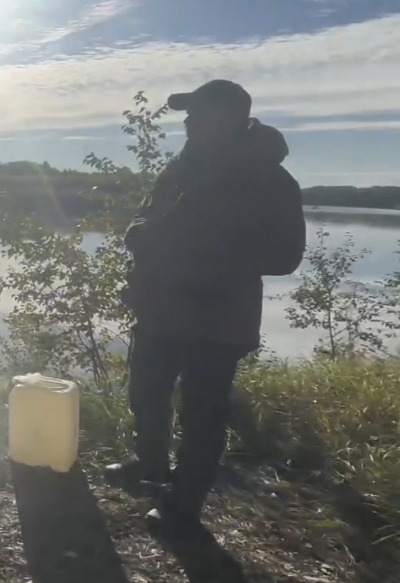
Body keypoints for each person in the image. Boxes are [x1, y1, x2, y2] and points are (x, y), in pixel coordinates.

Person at [104, 79, 306, 538]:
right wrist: (141, 232)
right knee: (145, 394)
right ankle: (150, 464)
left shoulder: (271, 180)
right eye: (189, 112)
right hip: (160, 306)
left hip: (218, 318)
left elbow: (286, 256)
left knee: (203, 413)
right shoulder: (179, 167)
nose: (189, 120)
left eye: (199, 111)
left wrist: (210, 249)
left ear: (231, 117)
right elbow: (147, 215)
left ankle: (184, 503)